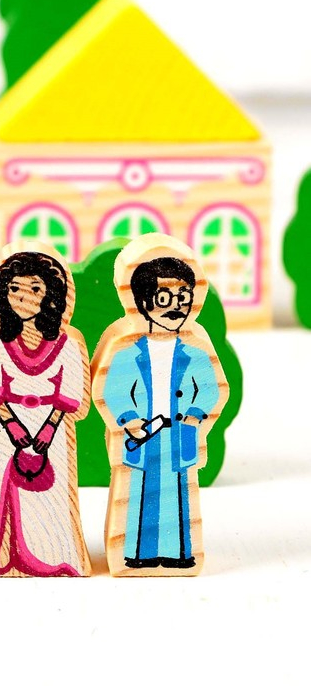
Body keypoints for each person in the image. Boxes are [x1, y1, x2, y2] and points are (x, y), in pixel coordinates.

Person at [94, 237, 228, 574]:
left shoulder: (196, 351)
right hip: (142, 435)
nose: (174, 307)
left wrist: (194, 416)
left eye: (183, 298)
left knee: (177, 495)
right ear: (141, 302)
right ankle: (137, 554)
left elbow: (213, 389)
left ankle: (178, 553)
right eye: (163, 299)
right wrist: (129, 420)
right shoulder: (126, 351)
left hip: (179, 434)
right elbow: (110, 390)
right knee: (138, 494)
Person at [0, 248, 91, 578]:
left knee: (50, 494)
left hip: (52, 431)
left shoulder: (68, 345)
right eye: (14, 288)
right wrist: (13, 426)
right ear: (1, 295)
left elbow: (74, 397)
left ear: (52, 295)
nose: (23, 298)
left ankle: (54, 556)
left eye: (34, 289)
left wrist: (48, 429)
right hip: (4, 429)